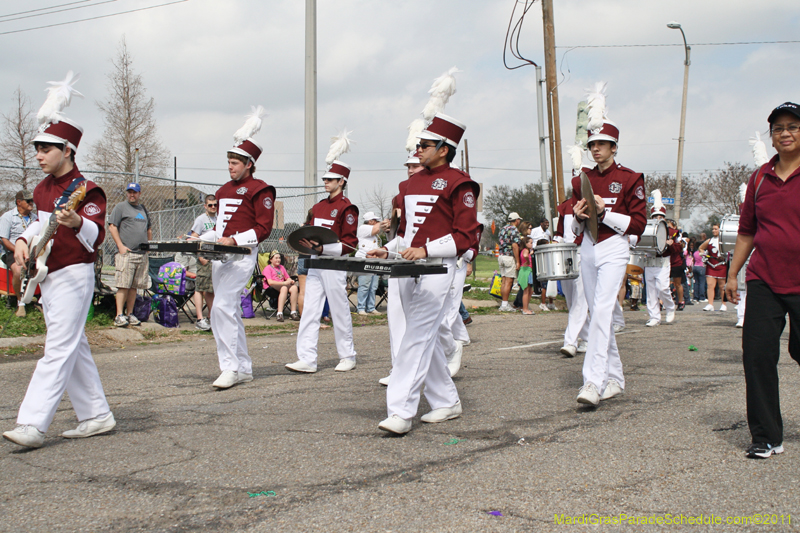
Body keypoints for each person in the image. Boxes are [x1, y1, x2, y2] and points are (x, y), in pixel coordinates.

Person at [3, 73, 115, 448]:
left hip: (74, 275)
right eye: (37, 148)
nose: (38, 155)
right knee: (71, 346)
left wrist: (78, 220)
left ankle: (32, 424)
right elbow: (39, 225)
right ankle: (97, 415)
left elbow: (96, 237)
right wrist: (22, 240)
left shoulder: (87, 189)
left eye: (46, 149)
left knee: (57, 350)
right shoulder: (41, 187)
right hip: (47, 274)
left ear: (67, 150)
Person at [369, 112, 479, 434]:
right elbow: (409, 235)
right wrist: (387, 250)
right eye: (418, 144)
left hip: (438, 268)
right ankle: (446, 401)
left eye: (425, 145)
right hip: (407, 266)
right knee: (417, 337)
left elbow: (465, 236)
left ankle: (401, 411)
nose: (418, 149)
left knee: (415, 336)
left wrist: (427, 250)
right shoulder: (409, 184)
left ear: (444, 149)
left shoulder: (460, 183)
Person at [726, 101, 800, 459]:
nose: (785, 133)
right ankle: (767, 437)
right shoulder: (759, 179)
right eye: (778, 128)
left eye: (793, 127)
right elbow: (746, 232)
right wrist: (732, 273)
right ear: (771, 137)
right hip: (764, 280)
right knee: (757, 356)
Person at [571, 109, 647, 407]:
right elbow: (575, 226)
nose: (596, 149)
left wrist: (606, 213)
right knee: (596, 311)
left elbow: (638, 225)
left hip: (615, 246)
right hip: (588, 246)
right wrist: (578, 217)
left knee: (603, 310)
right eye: (591, 144)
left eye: (602, 144)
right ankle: (615, 378)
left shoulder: (630, 178)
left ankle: (593, 380)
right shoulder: (582, 180)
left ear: (614, 147)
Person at [197, 108, 275, 389]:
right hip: (221, 256)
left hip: (242, 256)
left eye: (235, 162)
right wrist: (202, 237)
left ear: (249, 164)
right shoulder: (222, 191)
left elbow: (263, 228)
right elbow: (221, 226)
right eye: (229, 161)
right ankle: (242, 367)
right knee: (226, 309)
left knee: (222, 307)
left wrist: (235, 240)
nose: (230, 166)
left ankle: (229, 367)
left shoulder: (261, 189)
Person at [286, 132, 358, 374]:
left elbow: (349, 244)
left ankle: (348, 355)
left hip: (335, 264)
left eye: (331, 179)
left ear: (342, 182)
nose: (326, 182)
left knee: (338, 309)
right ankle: (307, 358)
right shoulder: (318, 206)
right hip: (315, 262)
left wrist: (323, 248)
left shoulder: (347, 208)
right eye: (325, 179)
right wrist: (307, 244)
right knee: (310, 310)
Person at [108, 182, 151, 327]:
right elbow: (112, 226)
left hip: (141, 254)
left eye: (135, 192)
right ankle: (119, 315)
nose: (132, 195)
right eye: (129, 192)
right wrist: (120, 246)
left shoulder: (143, 209)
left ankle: (130, 314)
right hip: (126, 254)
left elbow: (148, 229)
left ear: (139, 193)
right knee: (123, 285)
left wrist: (148, 246)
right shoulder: (121, 207)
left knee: (134, 286)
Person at [553, 195, 589, 357]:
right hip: (565, 254)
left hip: (584, 253)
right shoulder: (566, 206)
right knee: (571, 300)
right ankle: (588, 337)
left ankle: (570, 341)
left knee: (581, 300)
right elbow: (559, 232)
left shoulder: (593, 204)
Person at [0, 190, 38, 317]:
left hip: (33, 251)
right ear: (19, 202)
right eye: (28, 201)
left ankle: (42, 300)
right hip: (12, 251)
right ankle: (20, 303)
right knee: (18, 269)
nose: (31, 203)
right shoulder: (8, 217)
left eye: (32, 200)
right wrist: (18, 251)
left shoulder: (35, 218)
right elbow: (4, 240)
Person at [642, 191, 676, 327]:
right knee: (650, 292)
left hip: (663, 264)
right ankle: (654, 316)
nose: (657, 218)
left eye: (660, 216)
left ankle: (670, 307)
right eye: (655, 216)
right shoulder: (645, 229)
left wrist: (670, 245)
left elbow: (678, 249)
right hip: (649, 263)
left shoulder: (672, 232)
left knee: (662, 288)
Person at [189, 194, 217, 331]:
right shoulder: (201, 220)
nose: (213, 207)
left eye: (215, 205)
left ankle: (211, 317)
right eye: (210, 205)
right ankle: (200, 318)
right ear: (205, 206)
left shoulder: (220, 219)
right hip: (204, 259)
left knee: (211, 289)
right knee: (200, 288)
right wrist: (200, 256)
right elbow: (193, 238)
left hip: (216, 260)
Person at [355, 211, 384, 315]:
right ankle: (361, 308)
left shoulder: (374, 235)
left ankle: (371, 307)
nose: (377, 222)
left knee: (373, 286)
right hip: (363, 259)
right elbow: (376, 228)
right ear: (370, 221)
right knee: (364, 285)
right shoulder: (363, 228)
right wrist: (384, 223)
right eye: (375, 220)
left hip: (373, 260)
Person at [262, 250, 298, 322]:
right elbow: (270, 282)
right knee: (284, 288)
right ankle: (279, 313)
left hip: (281, 285)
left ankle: (293, 312)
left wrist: (290, 280)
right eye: (276, 258)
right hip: (271, 287)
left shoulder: (281, 267)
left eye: (279, 258)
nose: (278, 260)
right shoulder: (268, 268)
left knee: (294, 288)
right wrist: (284, 283)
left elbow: (287, 277)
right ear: (271, 259)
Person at [699, 224, 727, 312]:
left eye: (716, 229)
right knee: (710, 285)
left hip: (722, 265)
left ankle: (724, 304)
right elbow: (701, 248)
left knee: (722, 286)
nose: (713, 230)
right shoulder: (709, 240)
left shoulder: (725, 241)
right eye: (713, 229)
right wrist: (704, 254)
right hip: (711, 265)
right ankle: (710, 304)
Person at [497, 213, 522, 312]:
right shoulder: (514, 230)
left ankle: (503, 303)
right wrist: (518, 261)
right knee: (509, 281)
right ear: (516, 220)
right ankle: (504, 304)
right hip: (509, 256)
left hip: (501, 256)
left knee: (504, 280)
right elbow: (515, 245)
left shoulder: (502, 229)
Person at [667, 220, 686, 311]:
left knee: (677, 284)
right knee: (665, 284)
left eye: (670, 227)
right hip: (666, 261)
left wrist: (672, 244)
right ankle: (662, 302)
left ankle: (681, 302)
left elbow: (677, 249)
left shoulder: (678, 236)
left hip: (676, 262)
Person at [517, 236, 534, 315]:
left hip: (527, 270)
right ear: (526, 243)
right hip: (526, 271)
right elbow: (525, 256)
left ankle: (525, 307)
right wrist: (527, 261)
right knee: (526, 291)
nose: (532, 244)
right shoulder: (526, 250)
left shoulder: (524, 250)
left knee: (530, 290)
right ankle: (525, 309)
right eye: (530, 243)